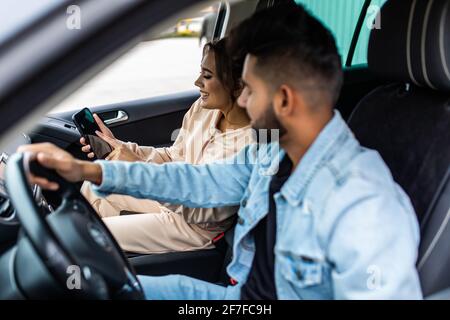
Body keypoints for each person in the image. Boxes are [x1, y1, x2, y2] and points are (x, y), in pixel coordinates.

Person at [19, 4, 422, 299]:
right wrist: (90, 172)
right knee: (109, 289)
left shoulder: (364, 207)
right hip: (237, 299)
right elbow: (197, 179)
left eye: (248, 89)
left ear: (284, 100)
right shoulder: (272, 150)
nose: (241, 101)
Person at [78, 38, 254, 254]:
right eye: (201, 72)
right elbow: (174, 156)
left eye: (207, 76)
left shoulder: (253, 144)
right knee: (95, 186)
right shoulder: (204, 109)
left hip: (196, 225)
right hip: (169, 197)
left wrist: (138, 169)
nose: (197, 82)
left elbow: (204, 209)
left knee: (91, 233)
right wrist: (120, 148)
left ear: (237, 85)